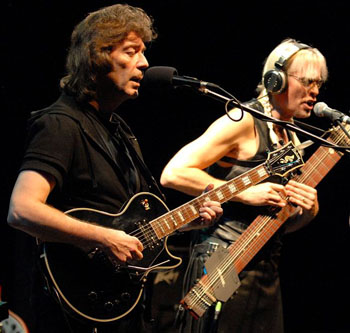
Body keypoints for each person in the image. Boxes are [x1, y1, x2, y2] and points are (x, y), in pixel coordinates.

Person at [6, 4, 222, 333]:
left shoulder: (120, 132)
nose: (145, 63)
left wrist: (189, 220)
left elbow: (134, 228)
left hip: (122, 304)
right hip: (74, 304)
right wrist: (106, 238)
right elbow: (21, 210)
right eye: (131, 51)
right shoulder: (60, 124)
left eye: (143, 52)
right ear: (97, 56)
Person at [160, 38, 328, 333]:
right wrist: (244, 192)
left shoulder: (291, 138)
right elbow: (174, 173)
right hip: (222, 258)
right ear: (275, 80)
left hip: (265, 268)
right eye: (308, 81)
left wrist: (309, 210)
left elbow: (280, 222)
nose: (315, 91)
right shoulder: (242, 122)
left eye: (319, 83)